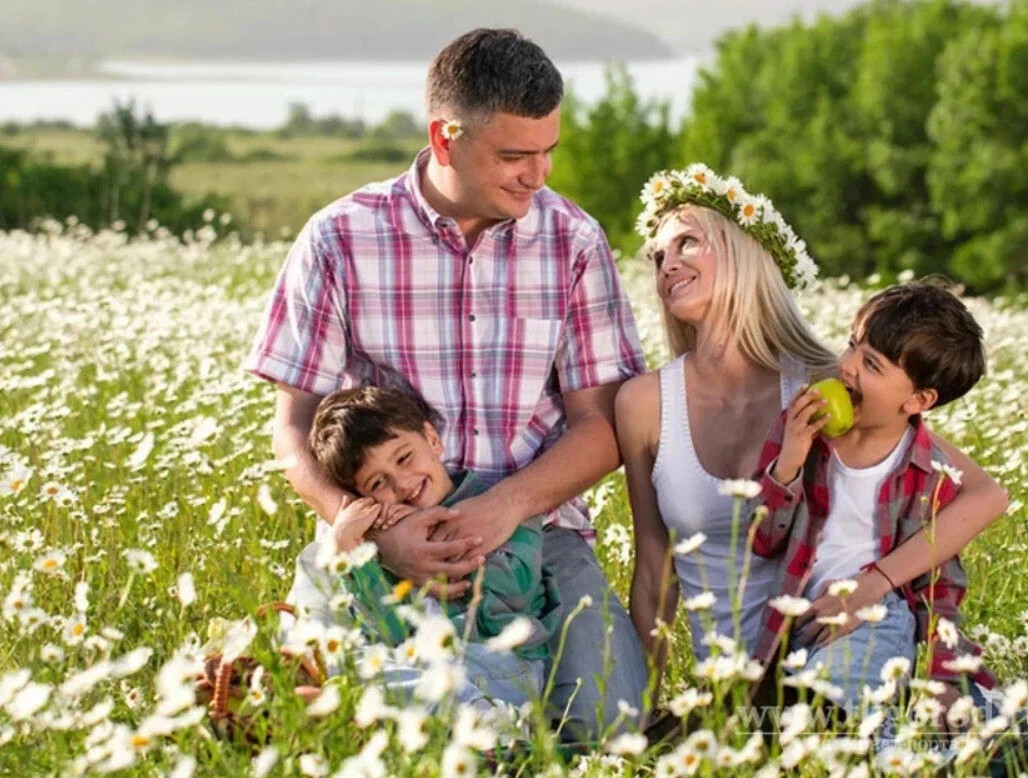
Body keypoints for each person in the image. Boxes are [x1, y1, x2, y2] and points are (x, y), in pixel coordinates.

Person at [246, 28, 648, 739]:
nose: (539, 175)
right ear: (444, 138)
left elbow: (601, 426)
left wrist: (505, 506)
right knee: (371, 729)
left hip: (539, 538)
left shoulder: (573, 241)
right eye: (515, 155)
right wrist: (378, 535)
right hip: (381, 549)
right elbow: (291, 425)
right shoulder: (338, 238)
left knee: (609, 729)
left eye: (547, 150)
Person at [617, 164, 1008, 711]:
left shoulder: (831, 385)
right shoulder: (642, 403)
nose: (667, 264)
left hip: (838, 641)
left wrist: (874, 586)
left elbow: (974, 489)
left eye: (687, 241)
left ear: (740, 251)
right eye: (658, 255)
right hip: (740, 688)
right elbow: (653, 571)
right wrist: (644, 712)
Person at [750, 281, 997, 715]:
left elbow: (938, 586)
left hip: (876, 615)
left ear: (919, 400)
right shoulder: (802, 432)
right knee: (782, 714)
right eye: (851, 346)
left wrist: (941, 675)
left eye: (872, 364)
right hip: (800, 618)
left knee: (835, 699)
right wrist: (789, 461)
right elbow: (763, 539)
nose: (846, 367)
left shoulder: (928, 473)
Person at [286, 385, 561, 708]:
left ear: (432, 440)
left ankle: (493, 729)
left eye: (404, 458)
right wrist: (355, 557)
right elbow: (393, 635)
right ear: (365, 498)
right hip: (418, 669)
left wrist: (435, 558)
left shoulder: (495, 507)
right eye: (378, 483)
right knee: (363, 661)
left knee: (400, 684)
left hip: (498, 668)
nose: (401, 484)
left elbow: (511, 593)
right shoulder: (387, 550)